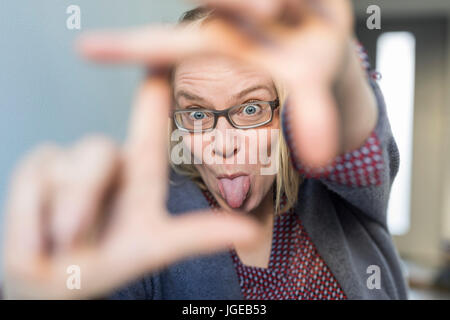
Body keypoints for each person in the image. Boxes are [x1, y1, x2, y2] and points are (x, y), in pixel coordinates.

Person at [1, 0, 408, 299]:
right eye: (196, 113)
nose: (222, 143)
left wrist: (337, 73)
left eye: (251, 108)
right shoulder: (148, 223)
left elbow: (357, 140)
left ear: (287, 112)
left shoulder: (340, 193)